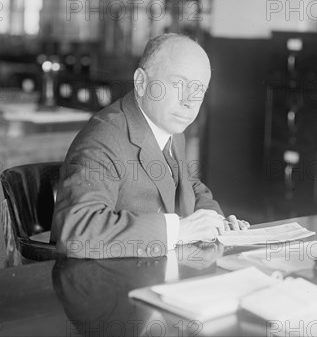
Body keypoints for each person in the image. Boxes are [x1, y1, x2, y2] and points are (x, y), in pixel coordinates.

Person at [50, 33, 249, 259]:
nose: (189, 102)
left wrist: (215, 222)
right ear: (141, 82)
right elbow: (78, 230)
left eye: (199, 89)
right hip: (110, 284)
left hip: (154, 271)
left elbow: (189, 186)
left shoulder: (170, 127)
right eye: (178, 84)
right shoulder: (104, 138)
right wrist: (179, 231)